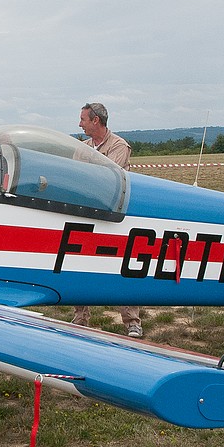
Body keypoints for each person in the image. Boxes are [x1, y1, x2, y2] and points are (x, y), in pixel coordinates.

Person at [72, 102, 142, 338]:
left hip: (115, 216)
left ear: (96, 121)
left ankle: (132, 320)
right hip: (88, 215)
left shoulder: (119, 146)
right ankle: (80, 318)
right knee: (79, 266)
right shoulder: (82, 147)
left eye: (83, 119)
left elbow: (109, 178)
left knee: (122, 266)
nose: (79, 123)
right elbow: (76, 177)